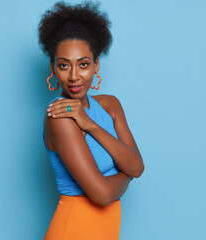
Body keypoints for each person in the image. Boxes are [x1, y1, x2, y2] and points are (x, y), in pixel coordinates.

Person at [38, 1, 145, 239]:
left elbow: (137, 166)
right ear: (53, 68)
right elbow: (103, 194)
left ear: (96, 64)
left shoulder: (110, 106)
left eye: (83, 64)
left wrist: (90, 125)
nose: (74, 76)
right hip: (73, 229)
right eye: (64, 65)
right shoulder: (59, 117)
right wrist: (125, 174)